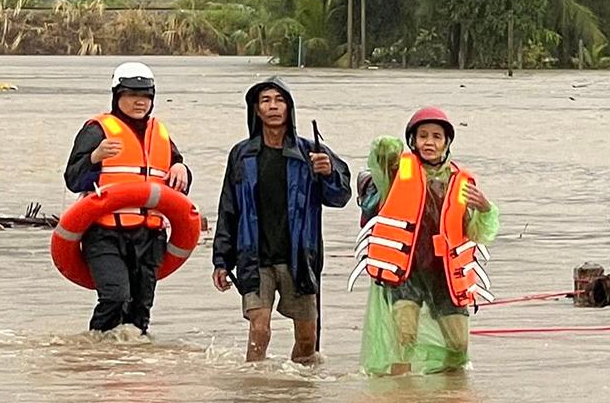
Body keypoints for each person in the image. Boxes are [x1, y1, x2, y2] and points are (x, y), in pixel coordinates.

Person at [211, 79, 352, 363]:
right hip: (254, 258)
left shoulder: (310, 152)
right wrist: (221, 261)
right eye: (266, 100)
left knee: (307, 340)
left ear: (289, 108)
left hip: (299, 258)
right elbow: (228, 209)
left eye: (279, 100)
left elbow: (340, 197)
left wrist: (328, 174)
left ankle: (297, 396)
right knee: (259, 330)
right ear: (256, 110)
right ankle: (257, 390)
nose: (273, 106)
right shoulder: (242, 154)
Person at [352, 106, 500, 375]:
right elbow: (381, 154)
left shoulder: (461, 182)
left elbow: (479, 233)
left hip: (444, 273)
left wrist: (486, 209)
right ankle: (402, 399)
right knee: (403, 337)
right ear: (413, 141)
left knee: (458, 343)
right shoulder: (397, 174)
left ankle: (449, 400)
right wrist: (388, 149)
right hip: (406, 269)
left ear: (446, 143)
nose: (429, 142)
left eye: (436, 136)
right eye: (422, 136)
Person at [63, 62, 191, 335]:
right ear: (117, 95)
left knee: (140, 309)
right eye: (132, 94)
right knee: (115, 297)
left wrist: (181, 167)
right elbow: (73, 179)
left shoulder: (160, 132)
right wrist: (94, 157)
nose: (139, 101)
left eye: (145, 95)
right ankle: (95, 355)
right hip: (105, 234)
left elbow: (176, 179)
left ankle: (129, 366)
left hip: (150, 236)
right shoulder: (97, 130)